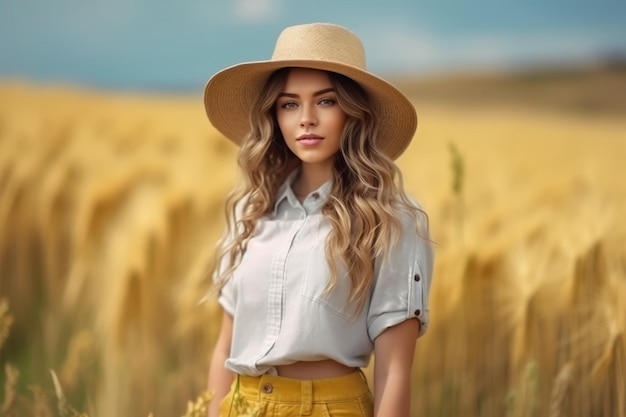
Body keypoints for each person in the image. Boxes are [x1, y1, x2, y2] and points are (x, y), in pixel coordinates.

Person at [203, 22, 434, 417]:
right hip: (240, 405)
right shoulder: (252, 210)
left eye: (325, 101)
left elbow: (394, 369)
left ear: (353, 113)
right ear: (274, 116)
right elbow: (226, 347)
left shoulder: (390, 218)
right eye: (289, 104)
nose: (306, 118)